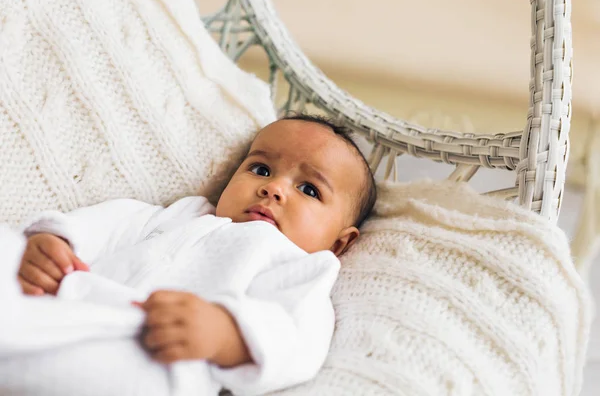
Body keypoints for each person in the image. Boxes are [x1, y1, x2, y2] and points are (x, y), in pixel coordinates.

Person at [5, 114, 377, 395]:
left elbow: (298, 339)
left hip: (151, 358)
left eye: (309, 189)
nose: (274, 188)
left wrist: (225, 335)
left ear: (339, 243)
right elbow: (110, 224)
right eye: (261, 169)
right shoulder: (183, 214)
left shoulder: (303, 266)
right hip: (65, 308)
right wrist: (54, 240)